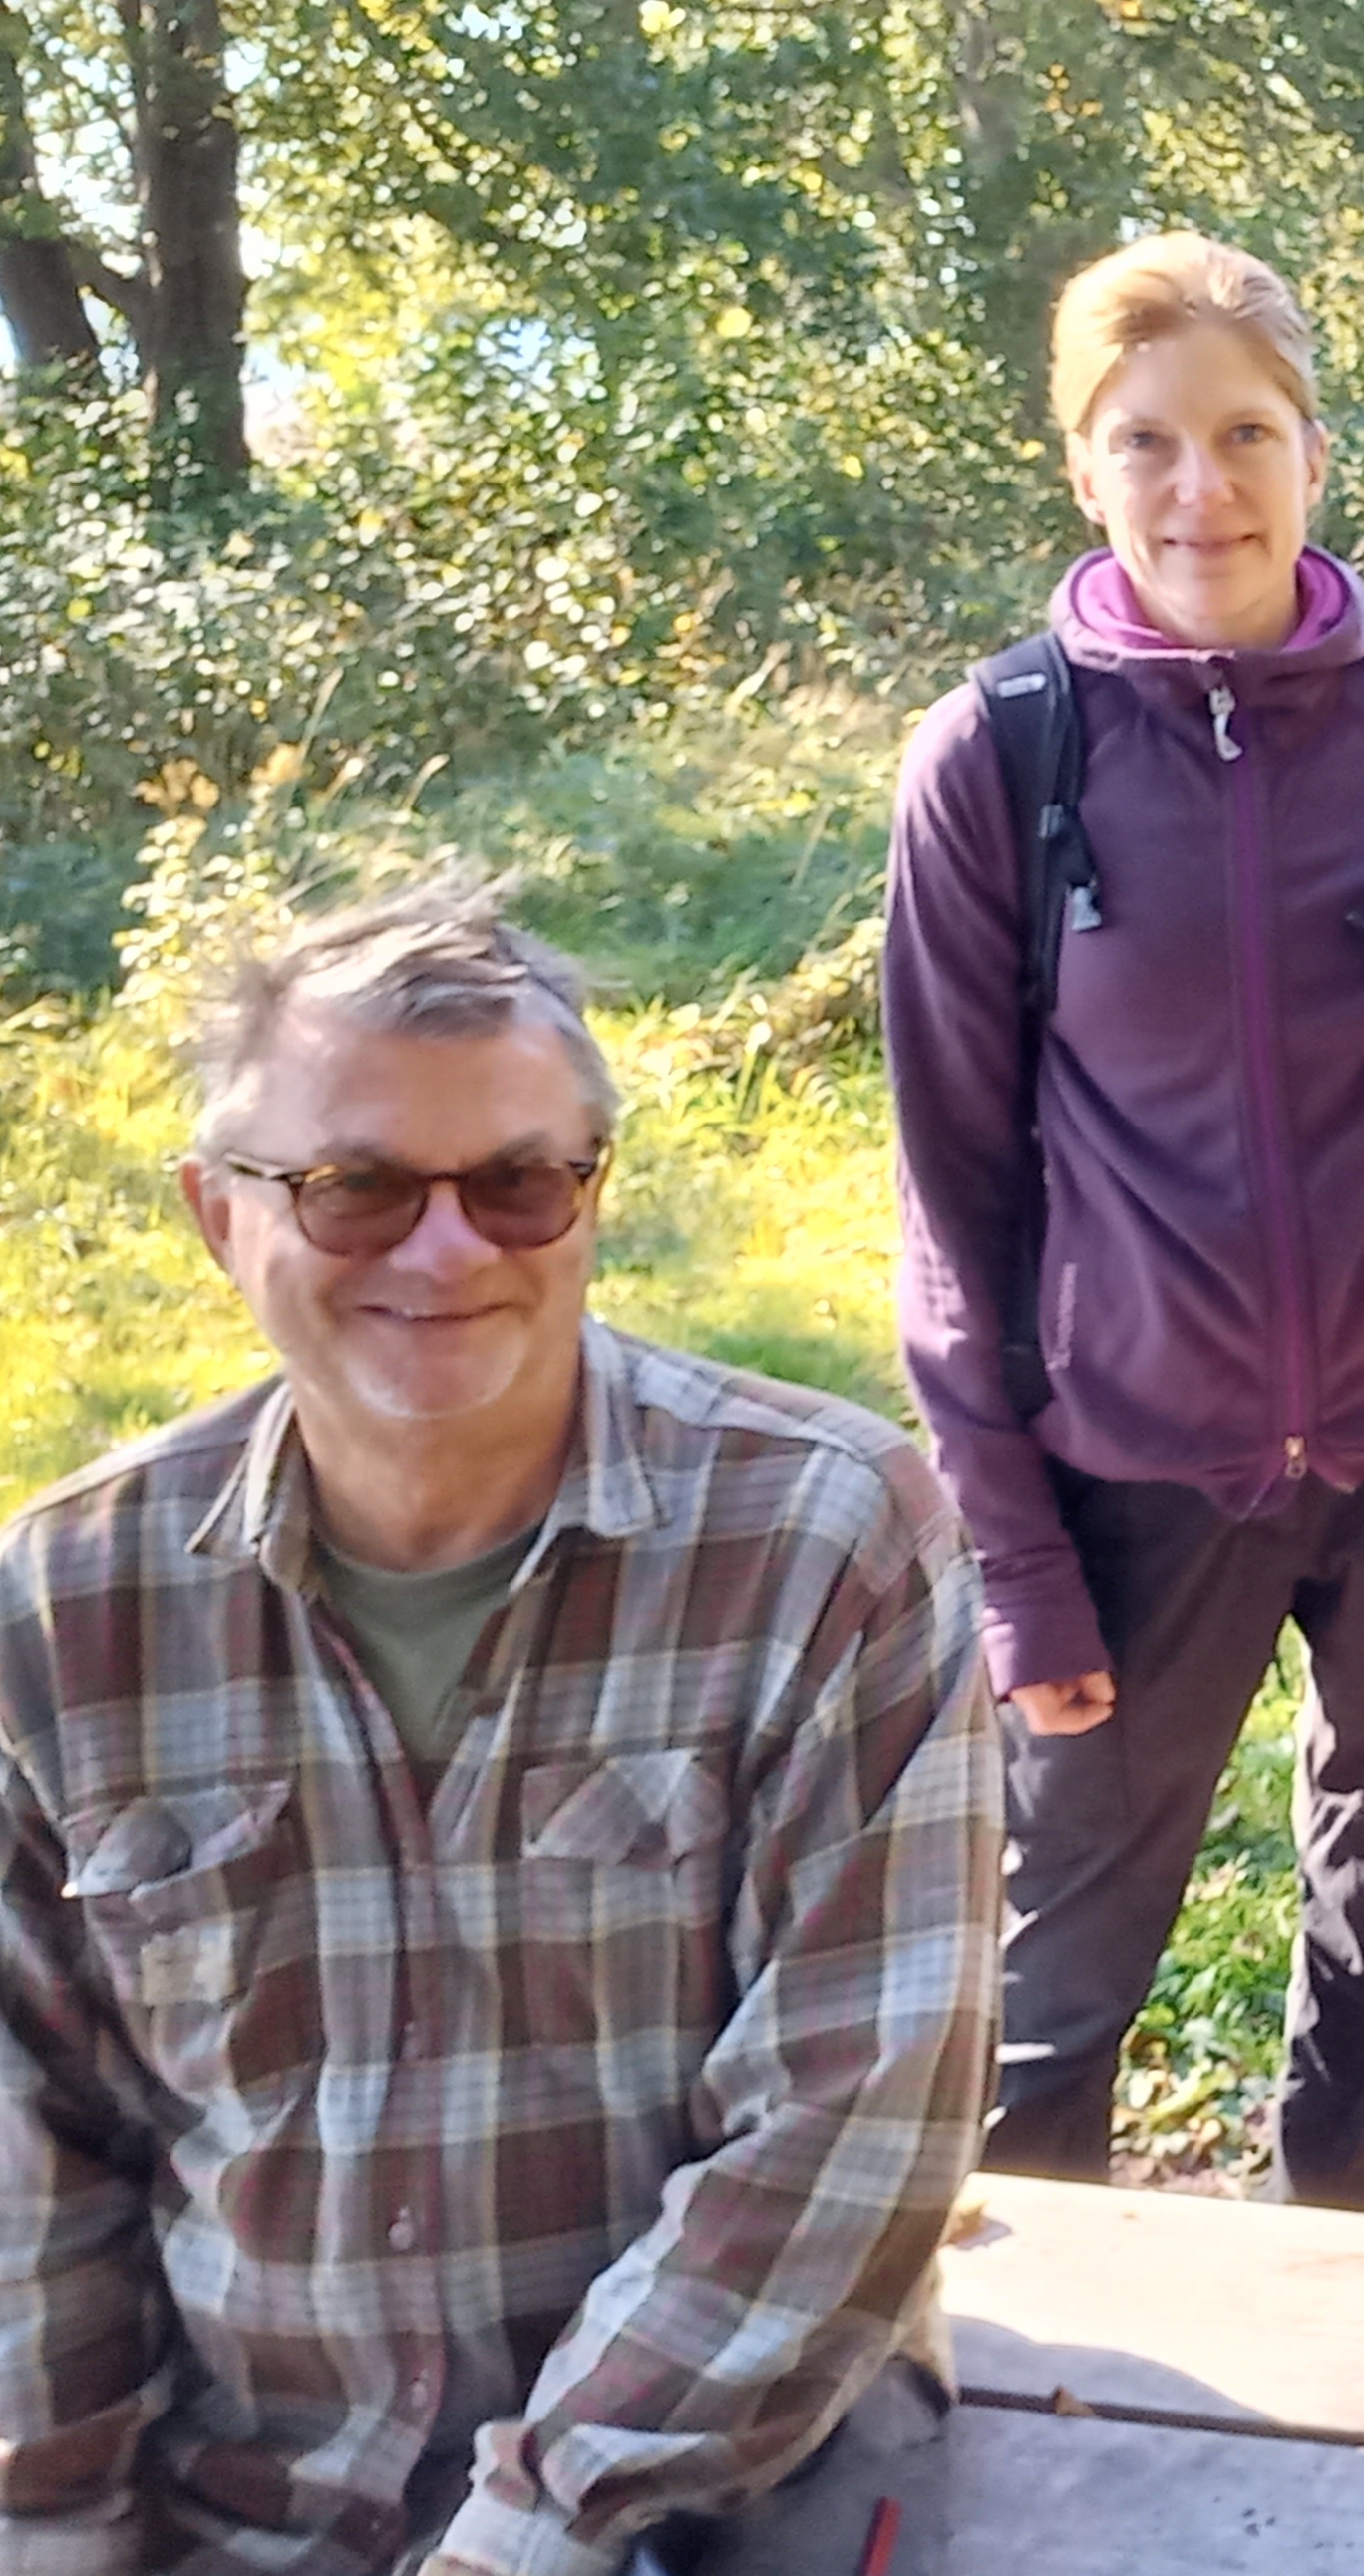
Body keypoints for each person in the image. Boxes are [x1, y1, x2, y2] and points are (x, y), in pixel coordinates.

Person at [0, 882, 998, 2574]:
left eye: (519, 1184)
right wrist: (56, 2526)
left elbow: (854, 2125)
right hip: (246, 2494)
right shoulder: (62, 1607)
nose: (445, 1250)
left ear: (593, 1199)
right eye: (357, 1189)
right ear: (216, 1216)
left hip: (709, 2487)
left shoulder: (825, 1541)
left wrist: (526, 2534)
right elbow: (33, 2164)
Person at [882, 231, 1364, 2214]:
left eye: (1243, 434)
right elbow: (953, 1191)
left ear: (1314, 451)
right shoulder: (1000, 763)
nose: (1197, 491)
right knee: (1060, 1974)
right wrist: (1013, 1558)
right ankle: (1044, 2382)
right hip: (1128, 1477)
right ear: (1080, 467)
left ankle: (1357, 2314)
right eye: (1145, 443)